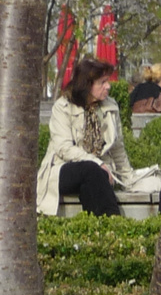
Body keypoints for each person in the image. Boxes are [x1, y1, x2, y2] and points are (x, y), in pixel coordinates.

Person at [37, 56, 141, 216]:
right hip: (61, 169)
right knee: (91, 170)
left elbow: (117, 148)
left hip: (99, 174)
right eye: (102, 82)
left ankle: (98, 230)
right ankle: (113, 222)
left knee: (90, 184)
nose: (108, 87)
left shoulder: (111, 106)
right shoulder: (63, 106)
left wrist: (129, 179)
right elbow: (64, 149)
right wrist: (97, 162)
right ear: (87, 85)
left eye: (108, 81)